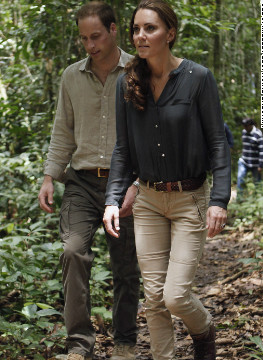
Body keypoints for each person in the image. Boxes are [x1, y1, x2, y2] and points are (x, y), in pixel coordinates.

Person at [103, 1, 231, 359]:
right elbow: (123, 150)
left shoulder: (198, 79)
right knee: (154, 298)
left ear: (170, 34)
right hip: (147, 200)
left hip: (189, 198)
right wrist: (113, 199)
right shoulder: (126, 83)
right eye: (136, 29)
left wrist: (219, 199)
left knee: (175, 295)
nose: (140, 36)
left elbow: (218, 142)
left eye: (150, 29)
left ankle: (204, 330)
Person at [38, 2, 140, 360]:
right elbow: (62, 132)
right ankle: (79, 345)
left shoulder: (138, 71)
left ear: (113, 30)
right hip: (80, 182)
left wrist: (138, 183)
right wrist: (50, 176)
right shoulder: (71, 76)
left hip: (125, 183)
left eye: (96, 36)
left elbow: (150, 133)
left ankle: (126, 342)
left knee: (126, 266)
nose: (90, 45)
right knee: (72, 252)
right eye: (84, 38)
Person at [237, 118, 263, 195]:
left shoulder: (258, 134)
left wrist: (261, 165)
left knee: (257, 182)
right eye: (244, 126)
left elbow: (262, 150)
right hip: (244, 161)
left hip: (255, 163)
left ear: (251, 125)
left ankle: (258, 197)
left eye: (246, 126)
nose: (245, 128)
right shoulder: (243, 132)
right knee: (240, 178)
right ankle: (240, 198)